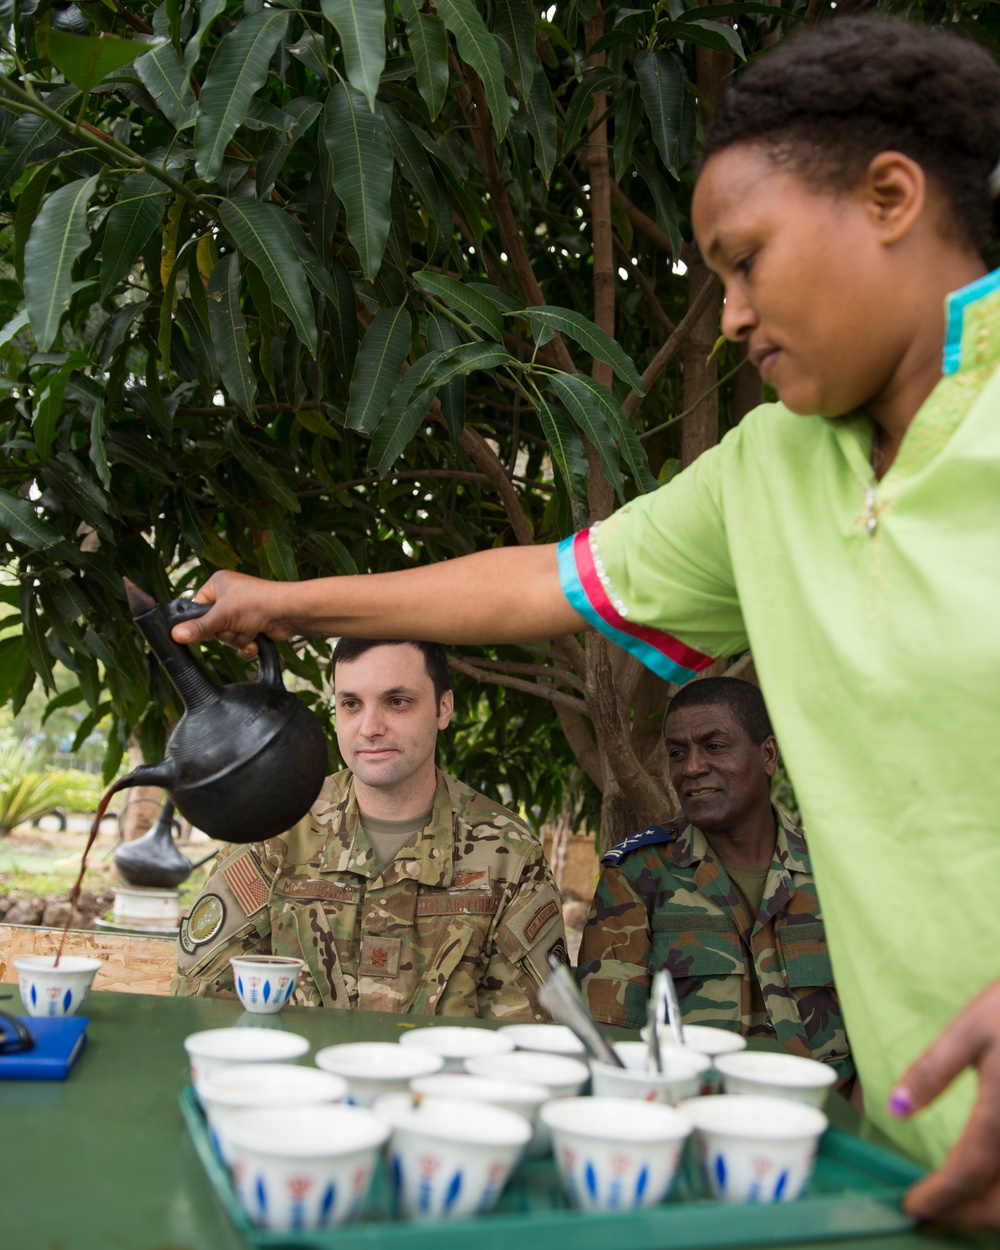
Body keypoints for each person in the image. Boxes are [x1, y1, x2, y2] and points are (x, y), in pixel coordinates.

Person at [168, 18, 1000, 1227]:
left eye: (746, 260)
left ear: (888, 197)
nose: (725, 317)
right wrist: (280, 602)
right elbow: (532, 584)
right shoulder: (767, 469)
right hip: (929, 1170)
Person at [171, 637, 567, 1019]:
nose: (369, 727)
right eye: (351, 704)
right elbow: (203, 998)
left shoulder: (507, 852)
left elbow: (532, 1039)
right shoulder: (278, 829)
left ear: (443, 708)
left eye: (397, 702)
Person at [576, 678, 853, 1089]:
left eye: (715, 746)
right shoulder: (637, 876)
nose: (691, 767)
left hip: (829, 1121)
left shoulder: (837, 873)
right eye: (677, 752)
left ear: (768, 755)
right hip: (693, 1118)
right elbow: (610, 1042)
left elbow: (889, 1026)